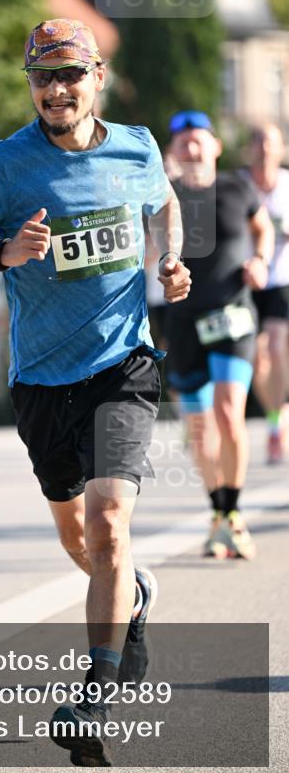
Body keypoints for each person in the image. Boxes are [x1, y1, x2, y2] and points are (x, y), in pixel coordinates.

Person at [0, 19, 190, 766]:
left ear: (96, 77)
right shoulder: (4, 165)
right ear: (30, 85)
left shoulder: (134, 145)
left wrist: (168, 259)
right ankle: (132, 598)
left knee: (108, 522)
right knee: (79, 538)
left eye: (69, 75)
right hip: (41, 380)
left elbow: (163, 200)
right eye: (42, 77)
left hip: (123, 365)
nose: (56, 90)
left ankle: (96, 693)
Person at [164, 111, 275, 560]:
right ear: (173, 151)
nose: (191, 148)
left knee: (229, 412)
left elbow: (261, 227)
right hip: (182, 320)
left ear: (215, 146)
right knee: (199, 425)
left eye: (198, 141)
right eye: (182, 143)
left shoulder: (237, 187)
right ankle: (220, 514)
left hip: (232, 314)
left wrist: (262, 260)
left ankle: (231, 511)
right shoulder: (163, 196)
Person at [242, 123, 289, 463]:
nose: (263, 148)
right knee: (258, 358)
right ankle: (277, 416)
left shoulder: (287, 186)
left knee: (275, 345)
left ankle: (277, 424)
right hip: (247, 278)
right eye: (257, 141)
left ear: (281, 148)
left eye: (269, 142)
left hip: (282, 279)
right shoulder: (239, 185)